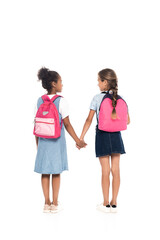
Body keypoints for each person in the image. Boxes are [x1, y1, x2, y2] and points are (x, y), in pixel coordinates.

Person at [76, 68, 130, 213]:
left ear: (105, 82)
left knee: (105, 170)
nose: (98, 84)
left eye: (99, 81)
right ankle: (114, 203)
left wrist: (81, 138)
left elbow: (89, 119)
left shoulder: (96, 98)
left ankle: (105, 203)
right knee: (116, 170)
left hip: (102, 135)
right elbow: (128, 121)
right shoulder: (120, 98)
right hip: (117, 136)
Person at [34, 67, 87, 213]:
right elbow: (68, 124)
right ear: (53, 84)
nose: (62, 84)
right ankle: (55, 204)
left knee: (45, 172)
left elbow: (37, 124)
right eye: (60, 82)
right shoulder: (61, 102)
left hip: (43, 141)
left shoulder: (40, 100)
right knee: (56, 171)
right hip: (56, 142)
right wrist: (78, 140)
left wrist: (37, 144)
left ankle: (46, 203)